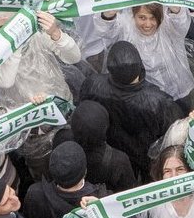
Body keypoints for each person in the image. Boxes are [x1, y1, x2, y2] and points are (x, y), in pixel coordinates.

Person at [78, 43, 184, 180]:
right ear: (139, 66)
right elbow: (175, 133)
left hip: (111, 149)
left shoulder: (93, 85)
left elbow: (84, 111)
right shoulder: (158, 102)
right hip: (145, 155)